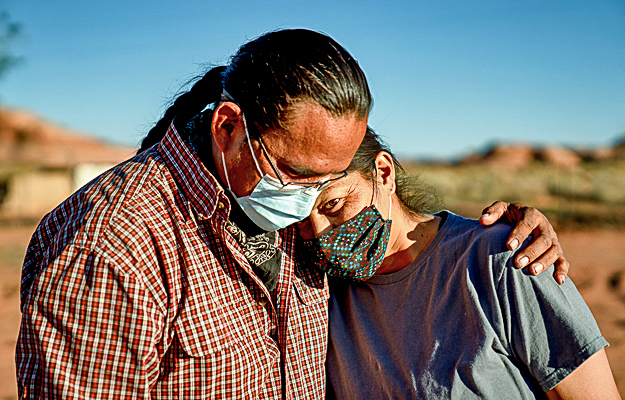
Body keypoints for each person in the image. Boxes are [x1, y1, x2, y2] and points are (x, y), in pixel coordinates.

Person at [16, 28, 568, 399]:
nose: (310, 208)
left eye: (329, 184)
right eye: (300, 176)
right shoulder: (111, 244)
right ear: (229, 127)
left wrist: (505, 235)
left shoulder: (294, 227)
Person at [298, 129, 621, 399]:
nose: (318, 233)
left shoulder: (500, 258)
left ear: (383, 173)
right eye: (298, 219)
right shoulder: (314, 288)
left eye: (333, 203)